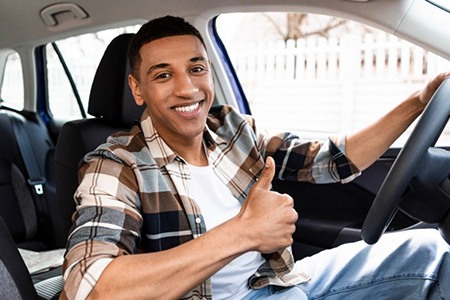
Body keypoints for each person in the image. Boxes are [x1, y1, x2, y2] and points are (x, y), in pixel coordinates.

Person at [61, 15, 450, 299]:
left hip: (278, 281)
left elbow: (332, 160)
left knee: (430, 252)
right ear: (137, 89)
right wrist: (243, 232)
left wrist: (417, 103)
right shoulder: (114, 165)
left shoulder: (232, 129)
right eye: (163, 75)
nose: (187, 88)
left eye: (196, 68)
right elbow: (91, 284)